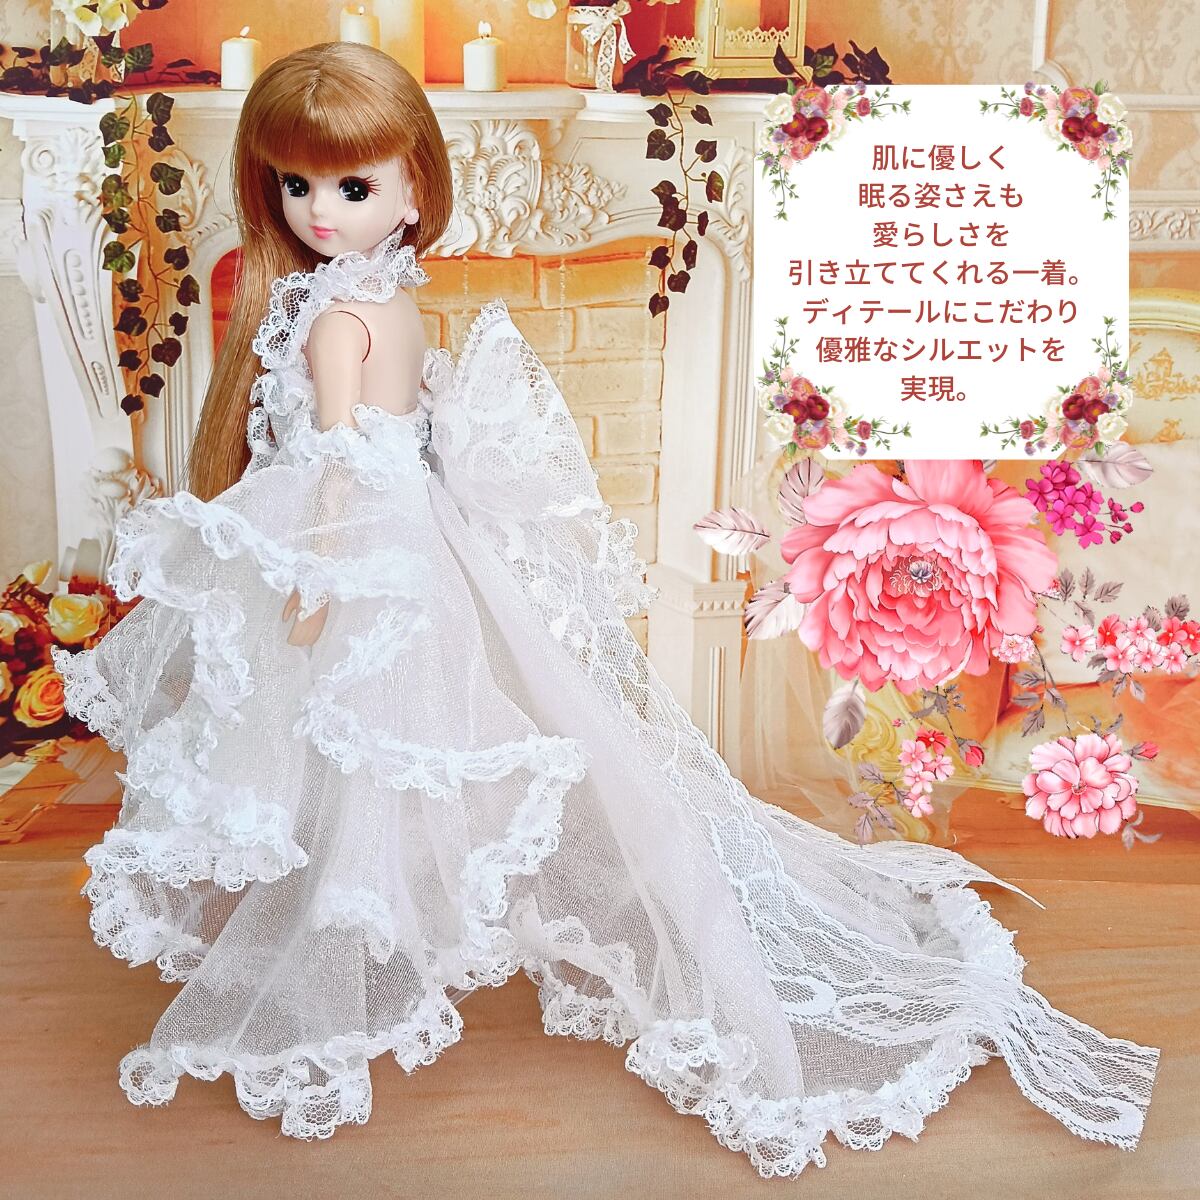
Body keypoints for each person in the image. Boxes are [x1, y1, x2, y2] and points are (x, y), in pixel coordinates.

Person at [51, 41, 1157, 1177]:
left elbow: (335, 466)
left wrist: (306, 580)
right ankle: (366, 929)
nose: (320, 212)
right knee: (384, 754)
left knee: (353, 748)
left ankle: (342, 957)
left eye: (351, 185)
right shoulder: (389, 297)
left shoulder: (338, 318)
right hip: (417, 544)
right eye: (297, 185)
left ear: (414, 188)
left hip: (363, 557)